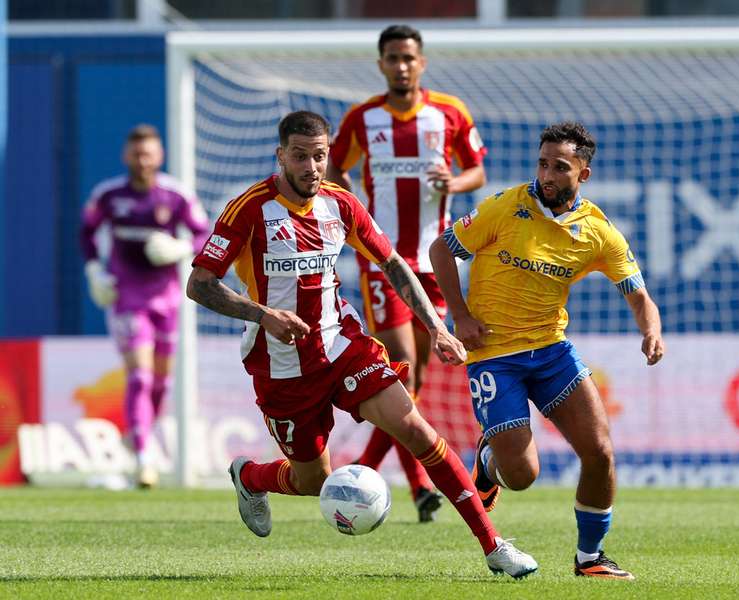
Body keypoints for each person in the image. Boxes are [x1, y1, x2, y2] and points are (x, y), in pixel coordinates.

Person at [186, 110, 536, 579]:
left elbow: (393, 264)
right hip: (281, 364)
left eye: (320, 156)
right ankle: (249, 477)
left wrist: (436, 327)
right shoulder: (250, 208)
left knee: (417, 429)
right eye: (300, 156)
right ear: (280, 156)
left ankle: (493, 545)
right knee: (312, 480)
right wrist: (263, 314)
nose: (311, 167)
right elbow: (200, 284)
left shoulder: (341, 204)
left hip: (341, 345)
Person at [430, 121, 666, 580]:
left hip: (552, 351)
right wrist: (459, 316)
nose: (547, 175)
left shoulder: (597, 232)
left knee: (599, 452)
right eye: (543, 163)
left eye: (560, 167)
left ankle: (590, 559)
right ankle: (488, 458)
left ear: (584, 174)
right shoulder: (504, 207)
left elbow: (638, 295)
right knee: (521, 476)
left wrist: (651, 331)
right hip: (495, 354)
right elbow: (442, 249)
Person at [326, 24, 488, 523]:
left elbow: (477, 171)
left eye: (408, 57)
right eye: (392, 57)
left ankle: (392, 483)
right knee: (398, 369)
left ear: (422, 62)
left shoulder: (450, 112)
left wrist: (454, 180)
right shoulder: (362, 118)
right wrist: (356, 213)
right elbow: (334, 169)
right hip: (386, 265)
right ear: (381, 64)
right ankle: (372, 482)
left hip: (436, 261)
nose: (401, 65)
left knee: (413, 379)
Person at [80, 124, 210, 488]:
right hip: (127, 294)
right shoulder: (108, 195)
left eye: (148, 153)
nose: (142, 160)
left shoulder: (175, 195)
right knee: (139, 374)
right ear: (126, 156)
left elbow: (203, 233)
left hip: (167, 297)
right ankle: (143, 457)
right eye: (136, 153)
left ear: (160, 156)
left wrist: (182, 248)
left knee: (161, 382)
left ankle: (138, 435)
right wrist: (94, 270)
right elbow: (87, 231)